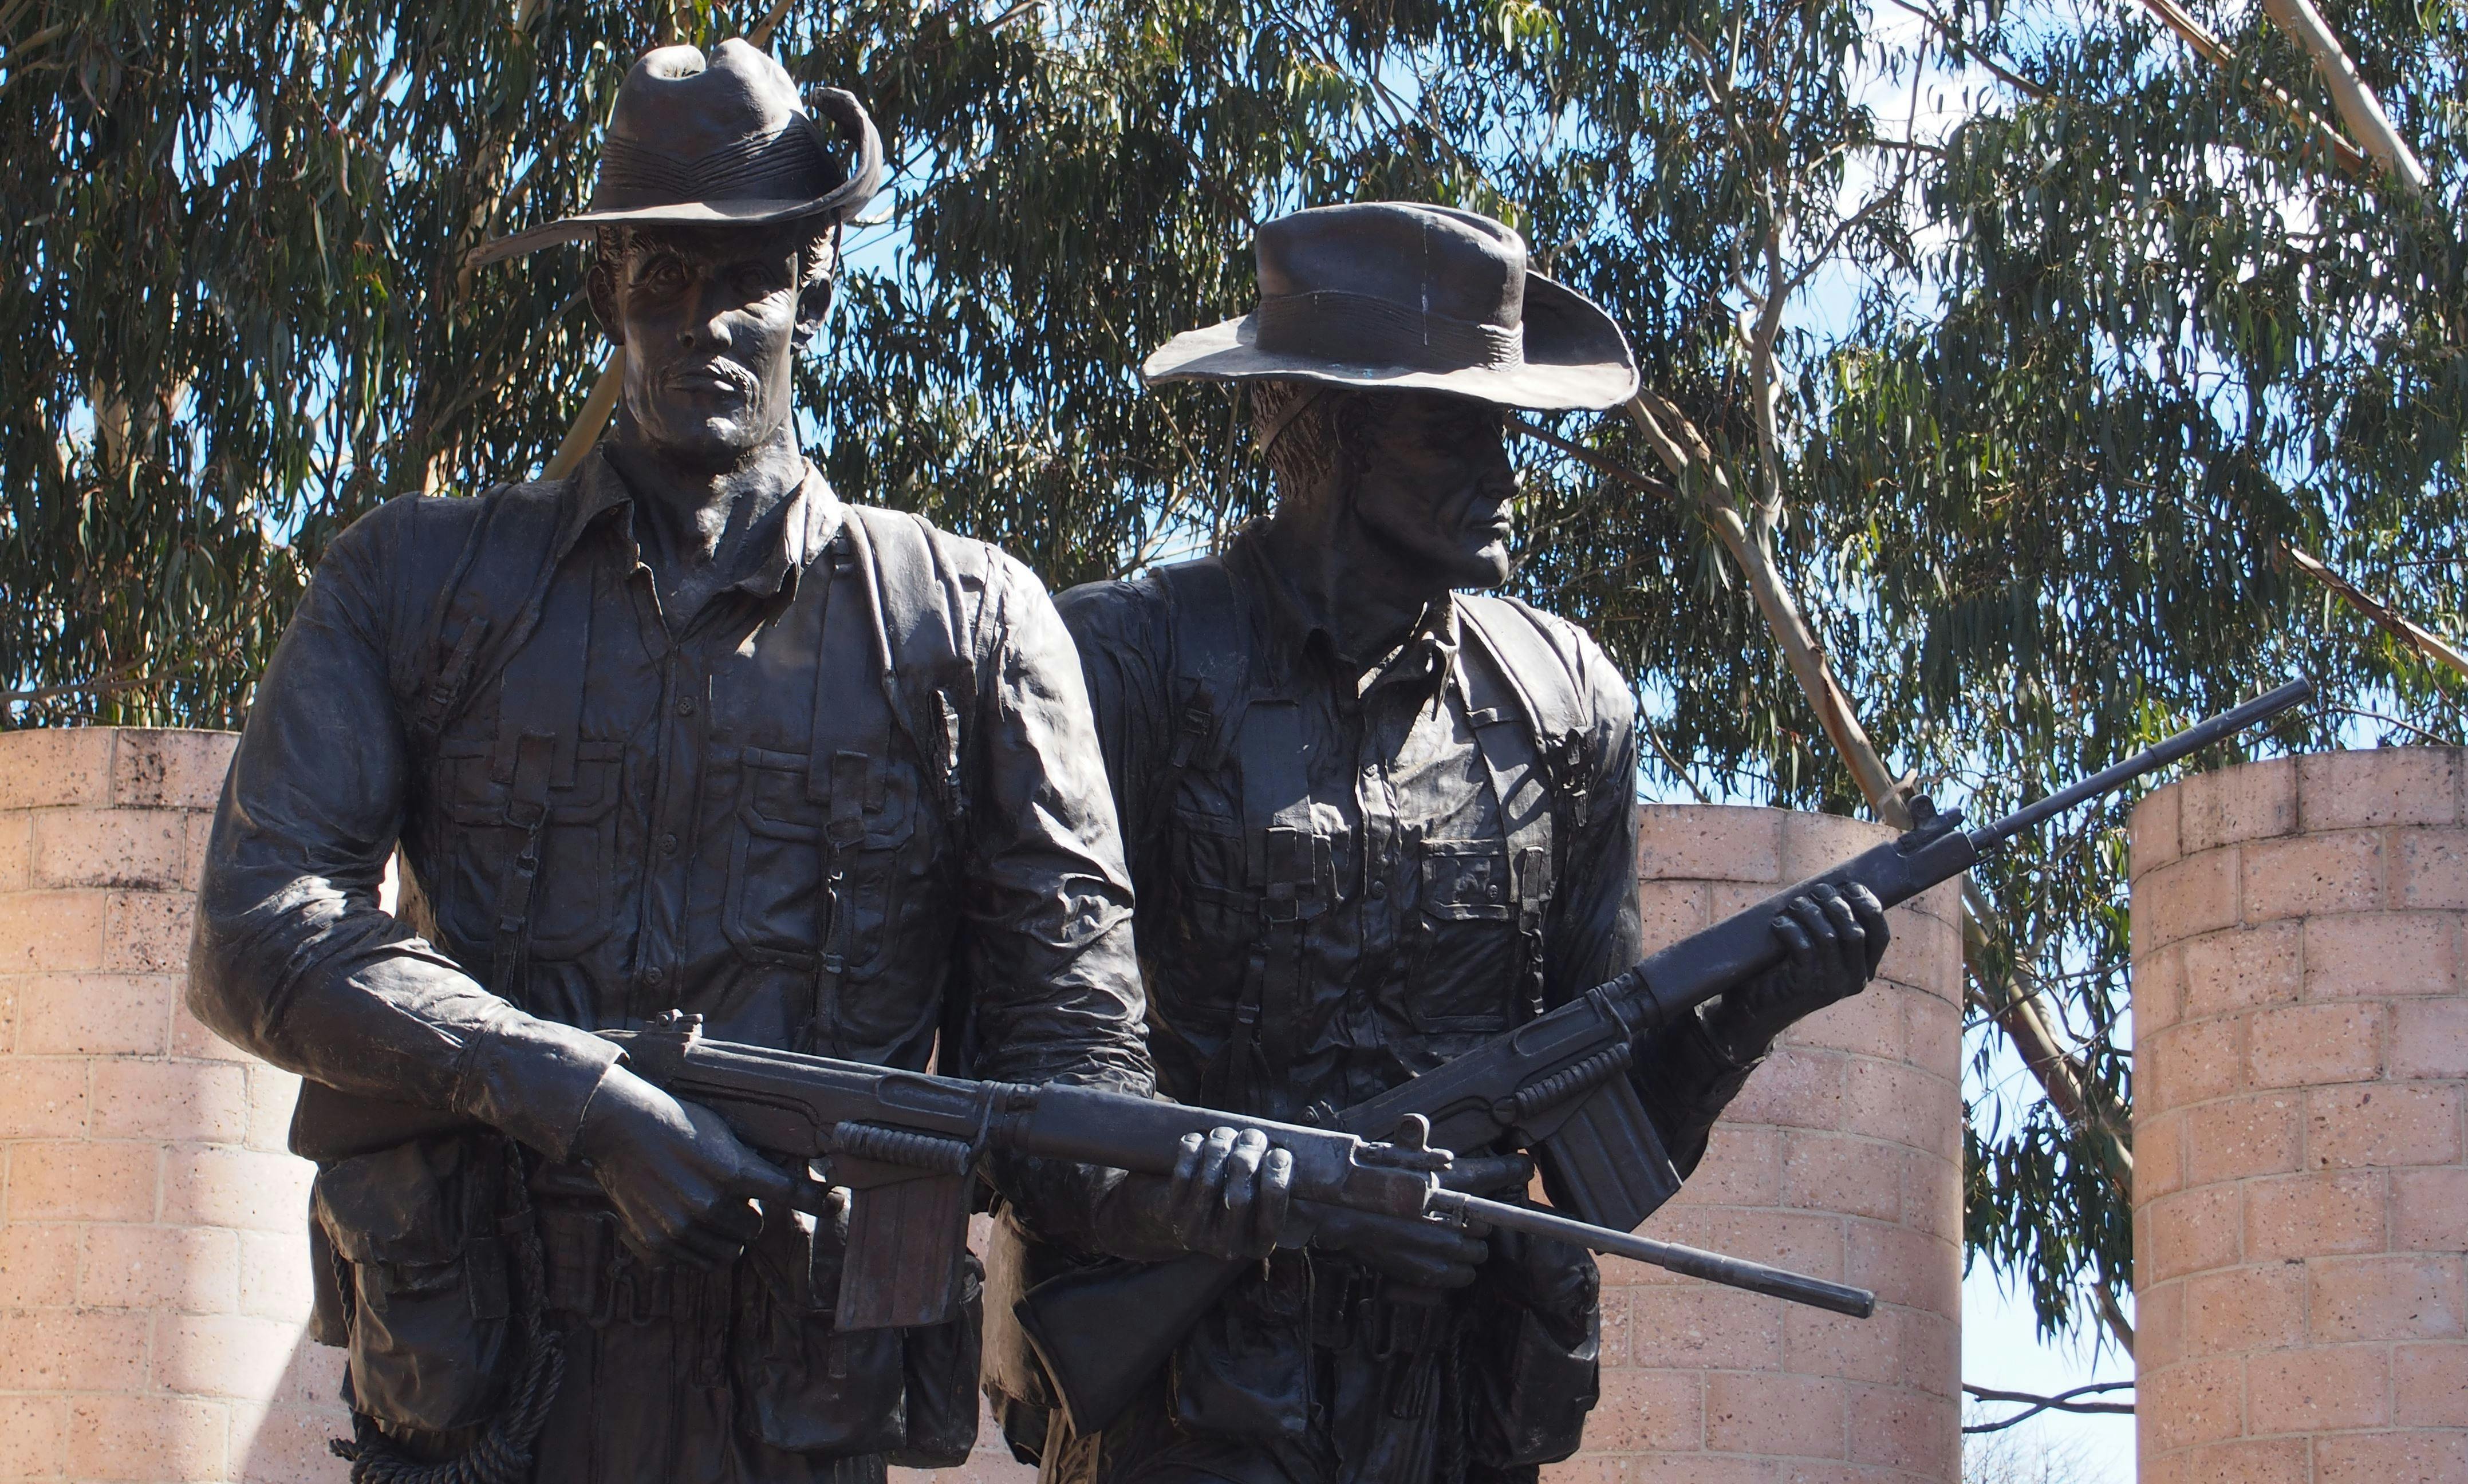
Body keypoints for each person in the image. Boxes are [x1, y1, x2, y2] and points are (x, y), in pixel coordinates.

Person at [189, 42, 1284, 1484]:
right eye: (662, 276)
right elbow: (257, 926)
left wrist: (1187, 1181)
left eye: (752, 278)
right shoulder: (417, 582)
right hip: (487, 1401)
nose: (706, 322)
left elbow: (1064, 1056)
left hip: (794, 1403)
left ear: (817, 289)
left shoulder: (972, 623)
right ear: (604, 291)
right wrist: (577, 1100)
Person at [998, 202, 1897, 1484]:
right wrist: (1289, 1205)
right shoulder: (1125, 664)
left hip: (1456, 1419)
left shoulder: (1568, 704)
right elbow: (1029, 1090)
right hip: (1194, 1418)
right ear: (1335, 431)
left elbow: (1598, 1155)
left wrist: (1747, 1016)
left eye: (1507, 427)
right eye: (1455, 428)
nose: (1507, 471)